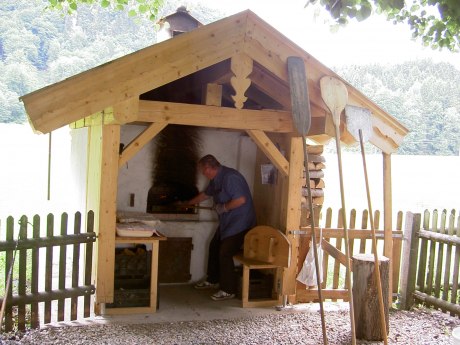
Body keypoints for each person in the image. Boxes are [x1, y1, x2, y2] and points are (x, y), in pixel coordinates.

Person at [186, 154, 256, 301]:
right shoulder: (215, 179)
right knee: (213, 246)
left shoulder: (230, 177)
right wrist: (187, 203)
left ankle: (228, 290)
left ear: (208, 168)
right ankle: (212, 280)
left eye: (202, 170)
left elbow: (241, 200)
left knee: (225, 252)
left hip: (241, 223)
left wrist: (223, 207)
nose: (202, 173)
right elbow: (205, 195)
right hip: (227, 222)